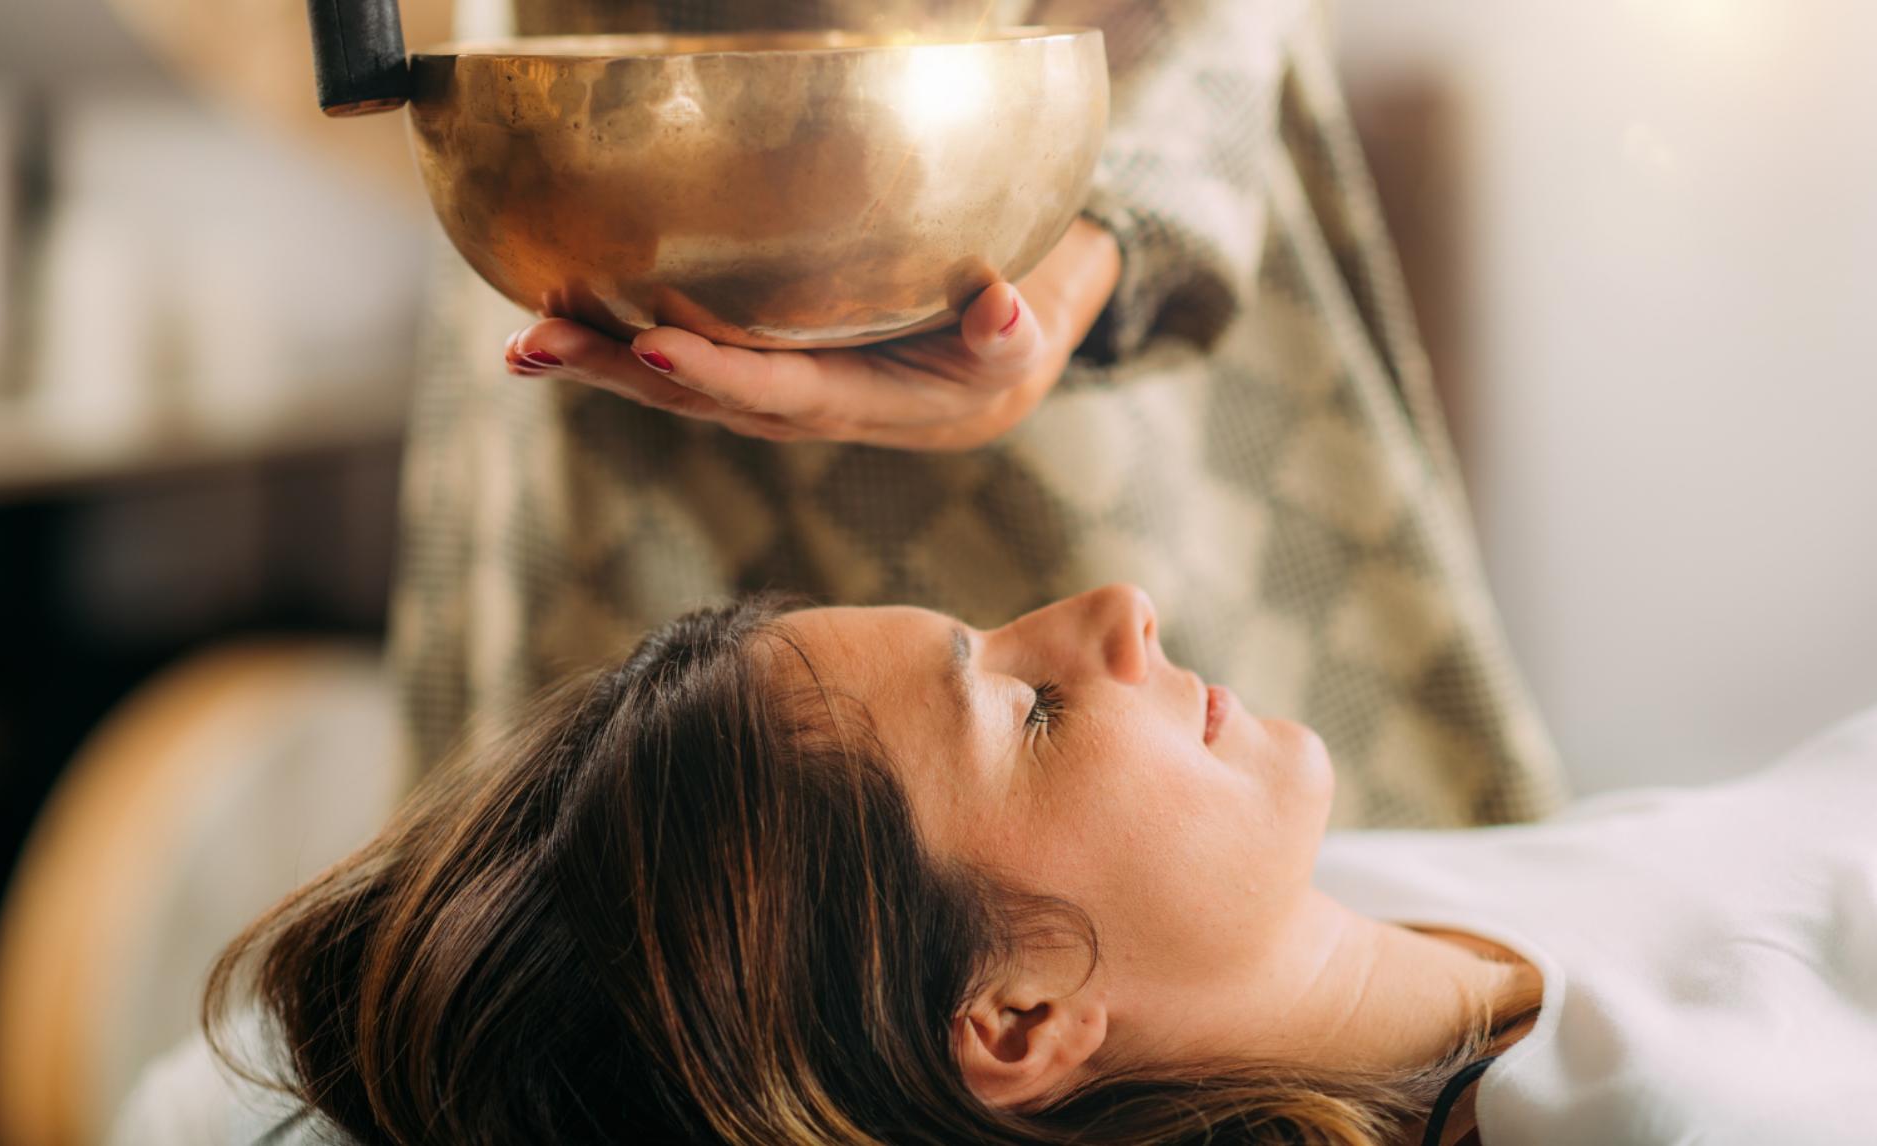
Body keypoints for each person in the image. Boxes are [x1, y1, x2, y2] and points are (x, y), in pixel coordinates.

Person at [118, 586, 1877, 1145]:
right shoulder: (1718, 1103)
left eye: (1001, 638)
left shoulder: (1294, 922)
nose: (1112, 610)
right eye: (1031, 712)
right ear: (1022, 1013)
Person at [389, 0, 1566, 832]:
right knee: (648, 980)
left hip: (1045, 221)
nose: (1123, 628)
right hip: (581, 229)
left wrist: (1096, 240)